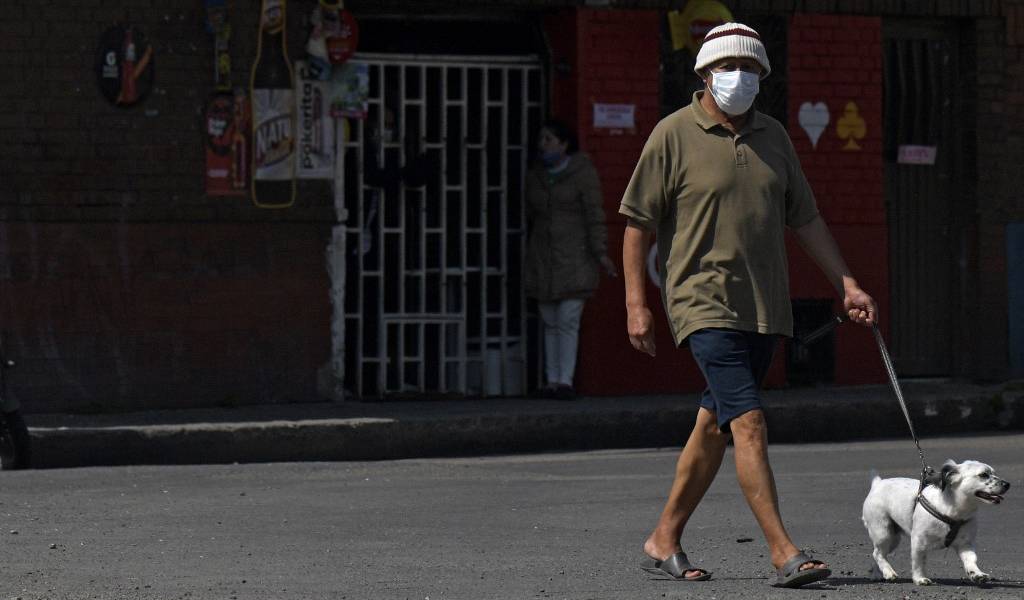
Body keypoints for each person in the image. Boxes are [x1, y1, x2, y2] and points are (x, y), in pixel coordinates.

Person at [619, 23, 878, 587]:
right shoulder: (672, 134)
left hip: (764, 306)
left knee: (715, 424)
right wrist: (637, 303)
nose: (740, 77)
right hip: (701, 300)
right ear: (705, 74)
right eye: (728, 67)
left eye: (751, 69)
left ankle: (664, 538)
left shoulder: (775, 138)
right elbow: (637, 224)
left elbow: (804, 218)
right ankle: (784, 552)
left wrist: (848, 283)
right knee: (750, 421)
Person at [525, 120, 617, 400]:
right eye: (542, 139)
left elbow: (595, 214)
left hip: (575, 257)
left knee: (567, 320)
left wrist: (600, 252)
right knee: (550, 320)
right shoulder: (536, 175)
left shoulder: (581, 173)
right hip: (544, 257)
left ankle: (565, 380)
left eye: (550, 139)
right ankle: (552, 380)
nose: (544, 145)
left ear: (564, 144)